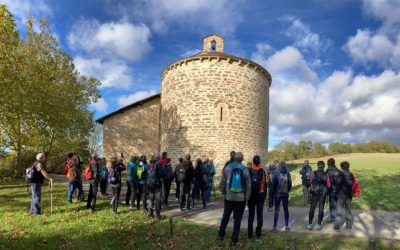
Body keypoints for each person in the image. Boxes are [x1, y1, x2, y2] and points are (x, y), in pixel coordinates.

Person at [218, 152, 251, 246]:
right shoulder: (245, 170)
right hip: (241, 199)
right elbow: (249, 185)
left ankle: (221, 234)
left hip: (229, 198)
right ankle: (234, 239)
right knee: (237, 219)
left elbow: (222, 184)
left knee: (226, 216)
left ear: (234, 158)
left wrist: (224, 193)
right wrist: (247, 197)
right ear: (242, 159)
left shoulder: (227, 168)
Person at [247, 155, 267, 240]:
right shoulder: (262, 171)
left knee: (251, 214)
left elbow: (247, 184)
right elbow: (265, 184)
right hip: (260, 194)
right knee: (259, 215)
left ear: (253, 162)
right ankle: (258, 235)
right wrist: (264, 196)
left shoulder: (249, 171)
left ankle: (250, 235)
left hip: (251, 195)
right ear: (259, 162)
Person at [307, 161, 331, 230]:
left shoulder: (313, 173)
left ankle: (310, 224)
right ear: (324, 166)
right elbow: (329, 185)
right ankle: (319, 225)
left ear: (317, 166)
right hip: (323, 194)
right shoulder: (326, 174)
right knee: (321, 209)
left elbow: (310, 182)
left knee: (312, 208)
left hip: (314, 193)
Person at [334, 161, 355, 232]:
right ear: (348, 167)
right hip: (349, 195)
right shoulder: (351, 174)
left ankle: (337, 227)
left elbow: (337, 185)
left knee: (339, 212)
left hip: (341, 196)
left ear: (341, 167)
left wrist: (336, 192)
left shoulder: (340, 174)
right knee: (348, 211)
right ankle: (349, 227)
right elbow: (353, 184)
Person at [272, 160, 292, 231]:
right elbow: (290, 184)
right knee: (286, 210)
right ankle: (286, 226)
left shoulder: (276, 173)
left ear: (279, 165)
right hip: (285, 194)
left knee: (277, 210)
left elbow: (273, 184)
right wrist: (287, 191)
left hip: (277, 194)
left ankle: (275, 226)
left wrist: (274, 192)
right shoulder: (288, 173)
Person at [147, 155, 162, 220]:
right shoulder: (158, 165)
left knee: (151, 199)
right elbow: (161, 174)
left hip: (149, 184)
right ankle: (157, 215)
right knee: (158, 200)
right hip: (156, 184)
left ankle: (150, 213)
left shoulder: (149, 165)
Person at [326, 158, 341, 223]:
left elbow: (325, 181)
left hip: (331, 190)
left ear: (328, 163)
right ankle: (338, 217)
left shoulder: (327, 171)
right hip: (338, 190)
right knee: (337, 204)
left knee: (332, 204)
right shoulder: (338, 170)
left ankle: (333, 217)